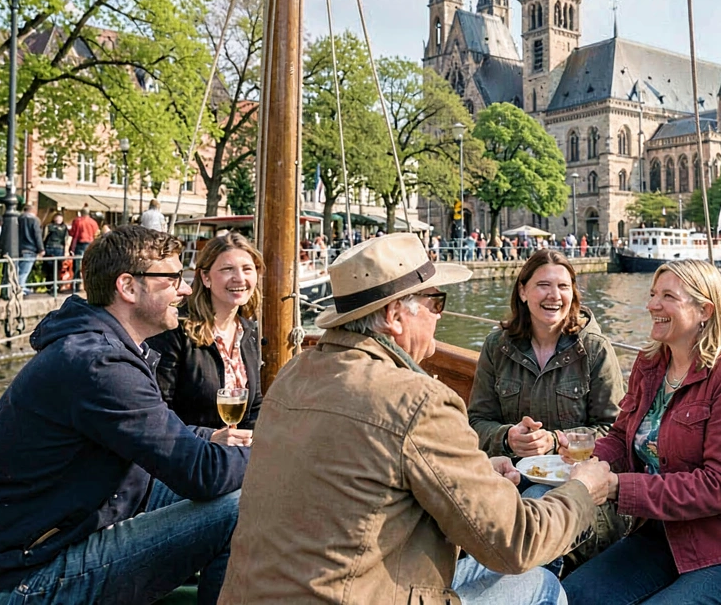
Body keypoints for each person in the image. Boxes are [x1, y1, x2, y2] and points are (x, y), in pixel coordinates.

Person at [219, 233, 617, 604]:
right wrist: (583, 490)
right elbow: (518, 542)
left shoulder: (294, 372)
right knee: (540, 584)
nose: (439, 318)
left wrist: (476, 470)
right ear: (395, 314)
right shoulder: (418, 399)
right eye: (435, 303)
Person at [0, 225, 251, 605]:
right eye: (172, 278)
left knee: (239, 486)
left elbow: (153, 430)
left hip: (46, 542)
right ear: (128, 286)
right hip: (19, 579)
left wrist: (210, 439)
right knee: (241, 506)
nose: (185, 289)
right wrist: (277, 451)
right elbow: (201, 474)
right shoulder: (99, 363)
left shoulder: (101, 347)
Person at [562, 260, 721, 605]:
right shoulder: (651, 361)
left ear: (705, 310)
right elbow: (624, 437)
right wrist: (591, 460)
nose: (652, 304)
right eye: (653, 294)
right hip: (664, 536)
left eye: (668, 296)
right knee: (569, 597)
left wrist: (616, 487)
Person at [468, 248, 625, 571]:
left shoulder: (593, 350)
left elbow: (614, 432)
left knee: (529, 514)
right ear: (523, 291)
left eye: (563, 287)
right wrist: (507, 438)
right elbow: (476, 423)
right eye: (543, 285)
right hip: (509, 479)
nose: (554, 295)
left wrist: (554, 441)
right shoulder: (497, 347)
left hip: (582, 491)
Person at [147, 233, 264, 430]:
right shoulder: (176, 330)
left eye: (247, 269)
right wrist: (209, 439)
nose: (240, 278)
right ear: (205, 277)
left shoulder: (249, 332)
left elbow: (254, 406)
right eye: (228, 269)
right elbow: (159, 410)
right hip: (190, 453)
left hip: (235, 455)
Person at [16, 202, 44, 296]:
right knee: (24, 271)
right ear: (33, 211)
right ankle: (20, 288)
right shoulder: (34, 220)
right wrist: (41, 249)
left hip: (18, 248)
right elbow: (37, 235)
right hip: (30, 248)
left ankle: (20, 287)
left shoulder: (18, 219)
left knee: (18, 269)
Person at [68, 205, 99, 288]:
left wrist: (71, 248)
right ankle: (89, 285)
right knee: (89, 265)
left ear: (81, 213)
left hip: (80, 244)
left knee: (77, 265)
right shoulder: (93, 222)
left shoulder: (77, 221)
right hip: (90, 244)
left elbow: (72, 233)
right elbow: (96, 234)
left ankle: (76, 285)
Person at [43, 211, 69, 293]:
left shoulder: (65, 227)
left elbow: (66, 239)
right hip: (49, 247)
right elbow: (44, 237)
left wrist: (66, 251)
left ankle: (56, 286)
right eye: (57, 217)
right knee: (50, 268)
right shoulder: (49, 226)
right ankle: (50, 286)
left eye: (60, 217)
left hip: (59, 248)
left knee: (58, 268)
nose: (59, 219)